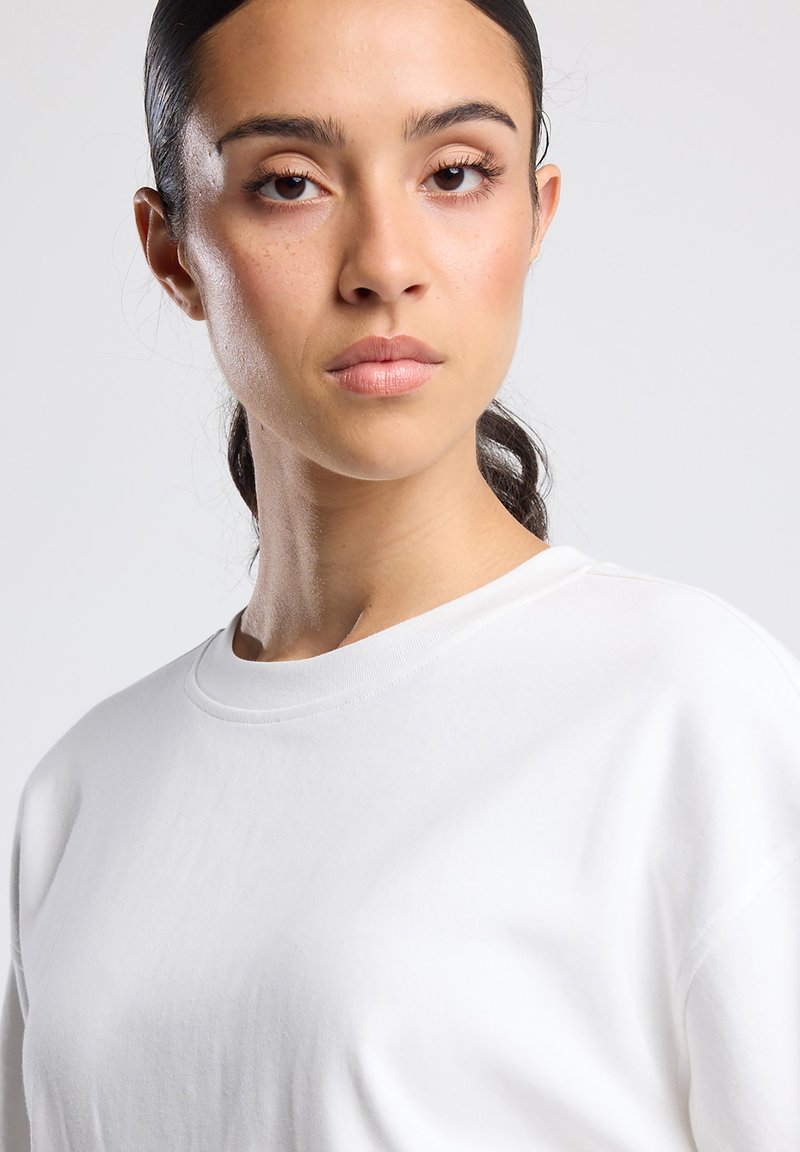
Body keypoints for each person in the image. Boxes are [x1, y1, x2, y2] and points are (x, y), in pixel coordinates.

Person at [2, 0, 799, 1147]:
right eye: (288, 182)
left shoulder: (687, 712)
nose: (383, 265)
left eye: (457, 172)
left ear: (536, 213)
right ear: (171, 250)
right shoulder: (83, 794)